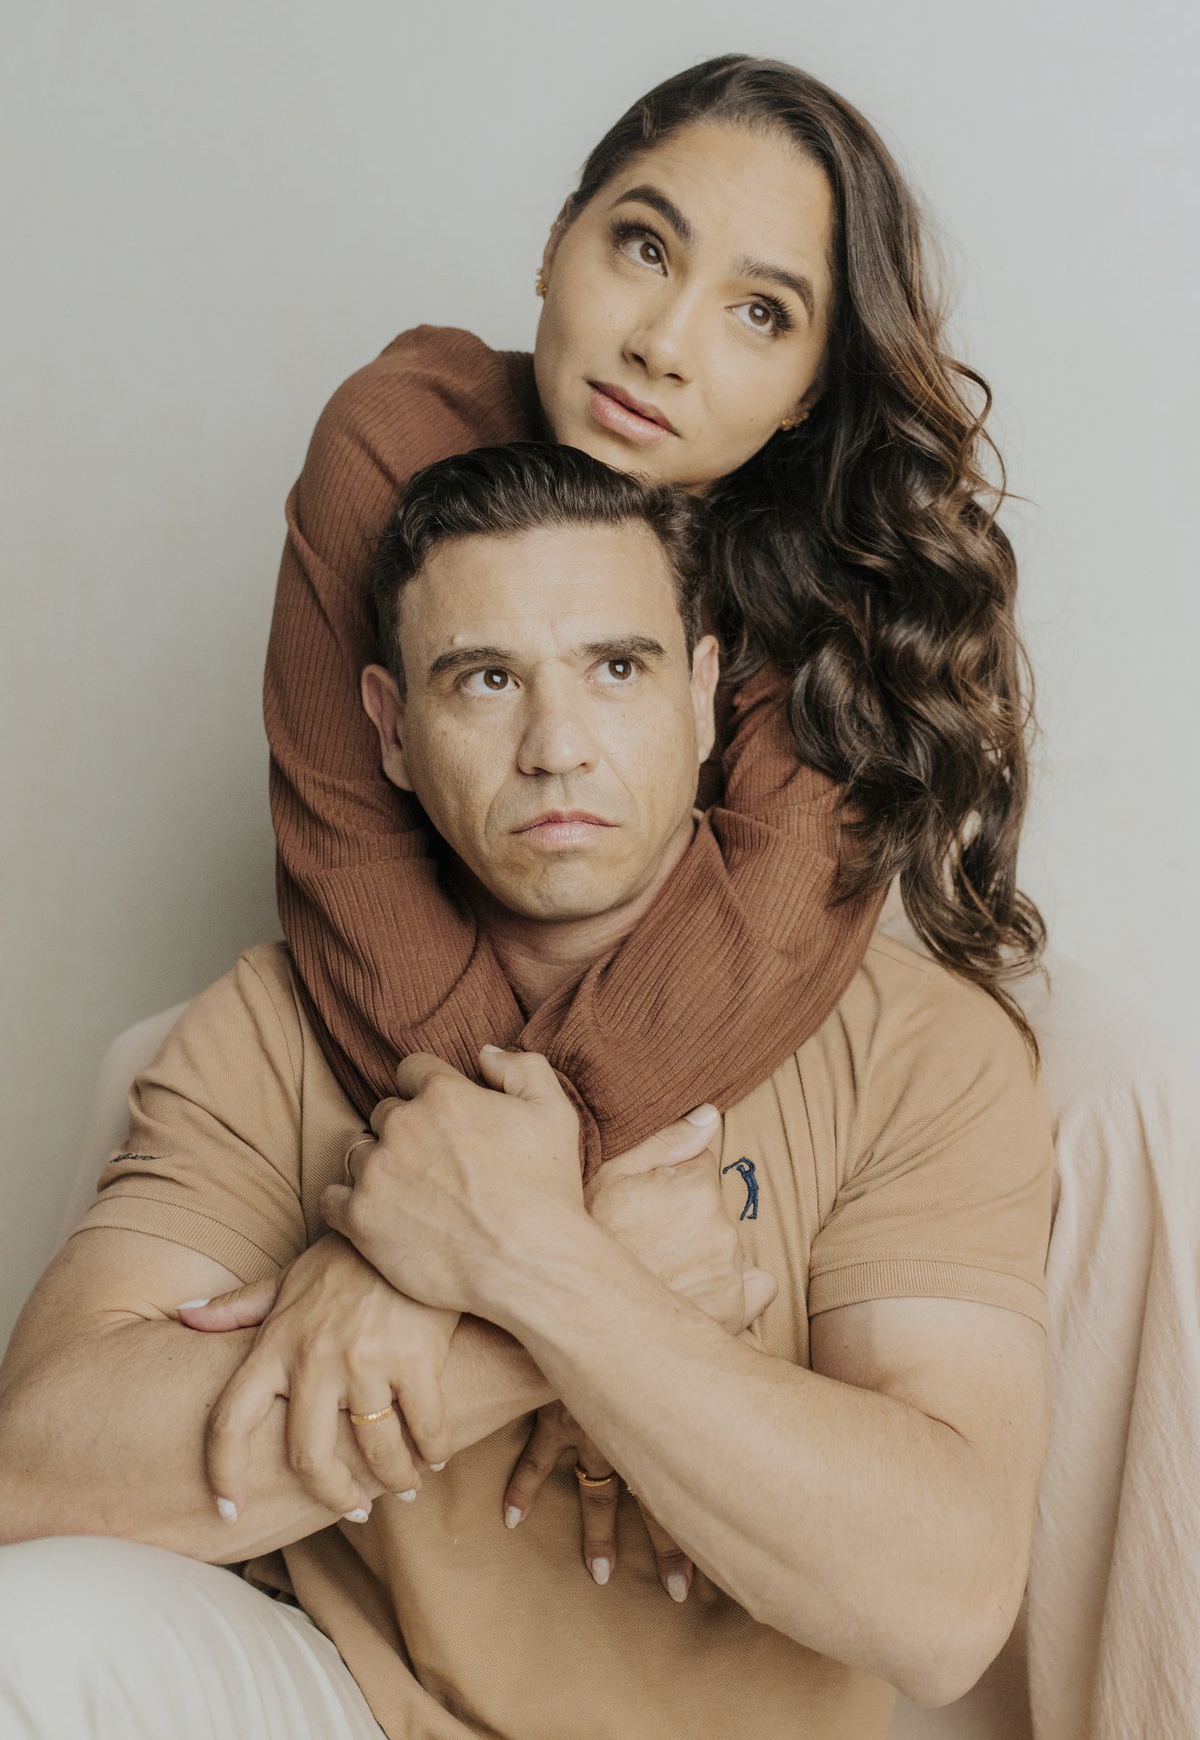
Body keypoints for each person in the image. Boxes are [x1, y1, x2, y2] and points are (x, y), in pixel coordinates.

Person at [0, 446, 1053, 1740]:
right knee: (23, 1633)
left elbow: (945, 1608)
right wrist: (527, 1311)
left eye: (616, 669)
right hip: (342, 1701)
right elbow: (31, 1472)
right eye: (487, 679)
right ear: (391, 729)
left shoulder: (920, 1047)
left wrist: (534, 1265)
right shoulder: (275, 1020)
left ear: (704, 695)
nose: (556, 748)